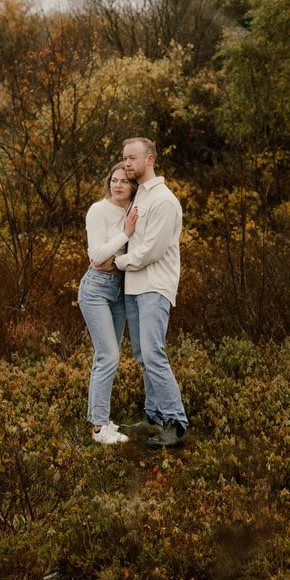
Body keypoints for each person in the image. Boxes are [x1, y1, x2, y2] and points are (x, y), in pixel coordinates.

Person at [98, 136, 189, 449]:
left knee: (153, 353)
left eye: (132, 158)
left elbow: (150, 250)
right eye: (124, 157)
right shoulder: (140, 197)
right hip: (135, 287)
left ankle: (176, 423)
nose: (127, 163)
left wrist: (117, 262)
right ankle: (152, 416)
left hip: (154, 286)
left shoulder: (164, 200)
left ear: (150, 159)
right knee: (142, 355)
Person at [79, 163, 140, 445]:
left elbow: (111, 257)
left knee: (107, 357)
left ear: (132, 186)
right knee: (109, 356)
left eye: (123, 182)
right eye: (113, 180)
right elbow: (97, 257)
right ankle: (99, 428)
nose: (117, 186)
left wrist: (114, 255)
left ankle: (100, 419)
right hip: (96, 289)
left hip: (120, 288)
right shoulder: (98, 210)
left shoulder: (134, 210)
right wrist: (125, 234)